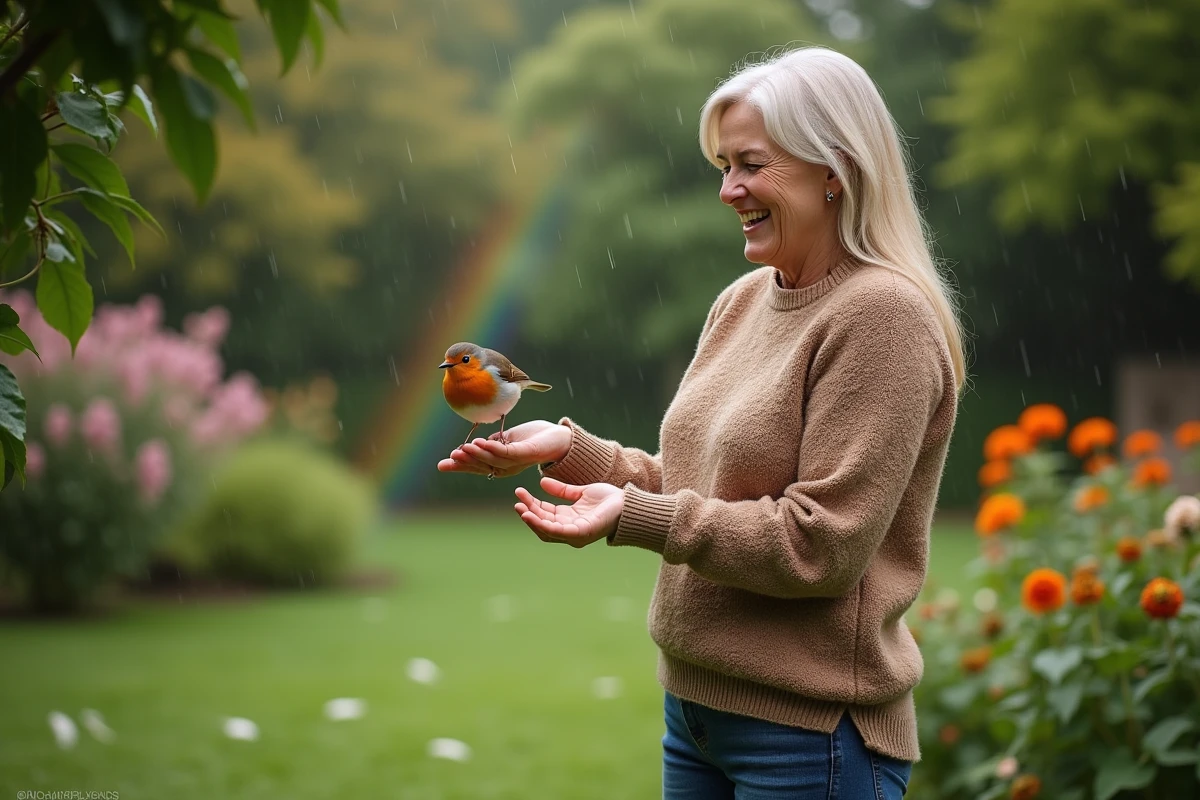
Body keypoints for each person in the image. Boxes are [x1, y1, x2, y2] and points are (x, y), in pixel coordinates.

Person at [438, 45, 966, 799]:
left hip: (808, 738)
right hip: (694, 715)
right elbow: (698, 488)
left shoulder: (882, 316)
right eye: (723, 166)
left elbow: (818, 545)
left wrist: (637, 516)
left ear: (834, 169)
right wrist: (573, 451)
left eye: (750, 164)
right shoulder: (743, 301)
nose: (728, 190)